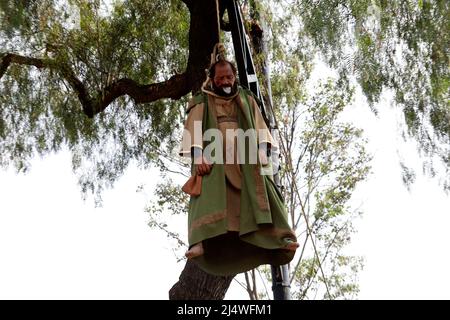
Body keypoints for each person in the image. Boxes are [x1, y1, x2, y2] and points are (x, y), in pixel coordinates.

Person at [179, 44, 298, 276]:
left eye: (229, 77)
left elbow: (260, 126)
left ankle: (281, 238)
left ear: (234, 77)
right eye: (221, 77)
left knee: (265, 188)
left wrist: (263, 149)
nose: (226, 81)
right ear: (212, 79)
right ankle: (199, 242)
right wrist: (198, 154)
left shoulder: (245, 97)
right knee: (206, 192)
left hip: (245, 156)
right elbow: (192, 128)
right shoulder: (202, 100)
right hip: (215, 157)